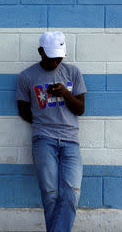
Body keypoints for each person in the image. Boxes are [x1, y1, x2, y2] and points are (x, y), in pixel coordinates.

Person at [16, 31, 87, 232]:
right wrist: (44, 122)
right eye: (50, 57)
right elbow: (23, 110)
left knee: (72, 192)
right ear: (40, 52)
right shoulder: (26, 76)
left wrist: (65, 93)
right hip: (43, 139)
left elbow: (80, 109)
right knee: (51, 193)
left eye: (58, 58)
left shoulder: (73, 73)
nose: (55, 62)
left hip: (70, 140)